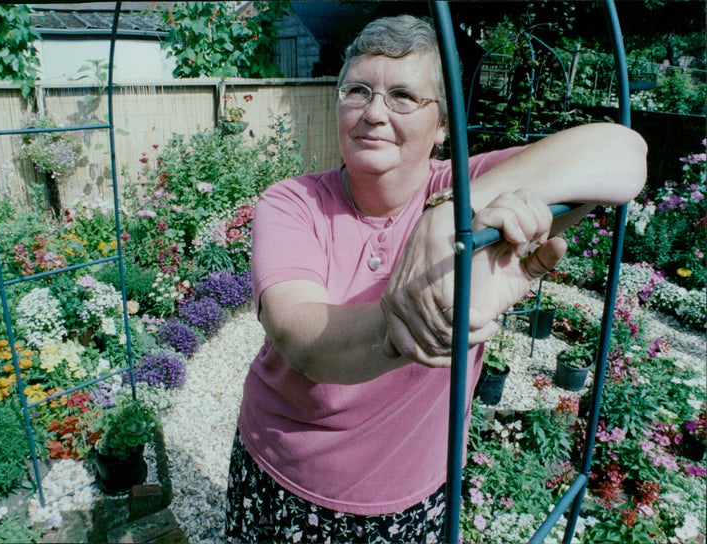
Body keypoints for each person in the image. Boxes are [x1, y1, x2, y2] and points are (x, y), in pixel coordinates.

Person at [225, 14, 646, 543]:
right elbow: (303, 338)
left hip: (413, 494)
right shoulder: (292, 203)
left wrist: (449, 213)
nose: (374, 113)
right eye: (357, 91)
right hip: (284, 479)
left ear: (443, 126)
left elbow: (625, 152)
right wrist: (429, 316)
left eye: (403, 96)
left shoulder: (469, 184)